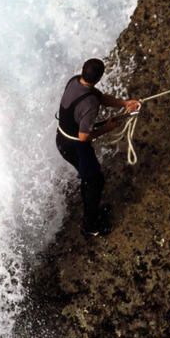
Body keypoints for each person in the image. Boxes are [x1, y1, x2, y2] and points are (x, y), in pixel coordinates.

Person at [56, 58, 140, 236]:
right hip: (74, 145)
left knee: (90, 178)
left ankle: (90, 208)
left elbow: (100, 98)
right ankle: (90, 226)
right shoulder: (90, 105)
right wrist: (107, 128)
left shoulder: (75, 81)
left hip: (62, 138)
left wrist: (125, 104)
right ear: (99, 78)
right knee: (94, 182)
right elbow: (84, 137)